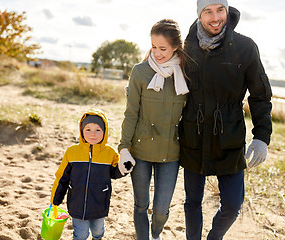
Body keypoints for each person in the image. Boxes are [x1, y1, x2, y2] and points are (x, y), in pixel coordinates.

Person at [179, 0, 273, 239]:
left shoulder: (244, 47)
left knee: (232, 205)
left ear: (227, 10)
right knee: (192, 202)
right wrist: (141, 89)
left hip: (229, 137)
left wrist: (261, 137)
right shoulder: (186, 47)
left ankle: (214, 237)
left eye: (220, 9)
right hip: (193, 135)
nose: (215, 17)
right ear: (199, 15)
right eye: (207, 11)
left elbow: (260, 94)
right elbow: (163, 69)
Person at [118, 19, 190, 240]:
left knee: (161, 209)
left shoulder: (186, 74)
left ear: (176, 47)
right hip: (140, 150)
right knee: (141, 205)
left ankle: (156, 233)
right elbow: (131, 113)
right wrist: (123, 147)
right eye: (154, 47)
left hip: (171, 153)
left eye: (163, 49)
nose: (157, 53)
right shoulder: (140, 72)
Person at [50, 108, 134, 240]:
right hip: (76, 203)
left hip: (99, 202)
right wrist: (56, 200)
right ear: (82, 131)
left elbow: (115, 173)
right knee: (80, 235)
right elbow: (62, 178)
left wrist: (124, 168)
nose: (92, 134)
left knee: (98, 231)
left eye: (98, 130)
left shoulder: (109, 153)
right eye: (88, 129)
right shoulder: (72, 152)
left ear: (104, 132)